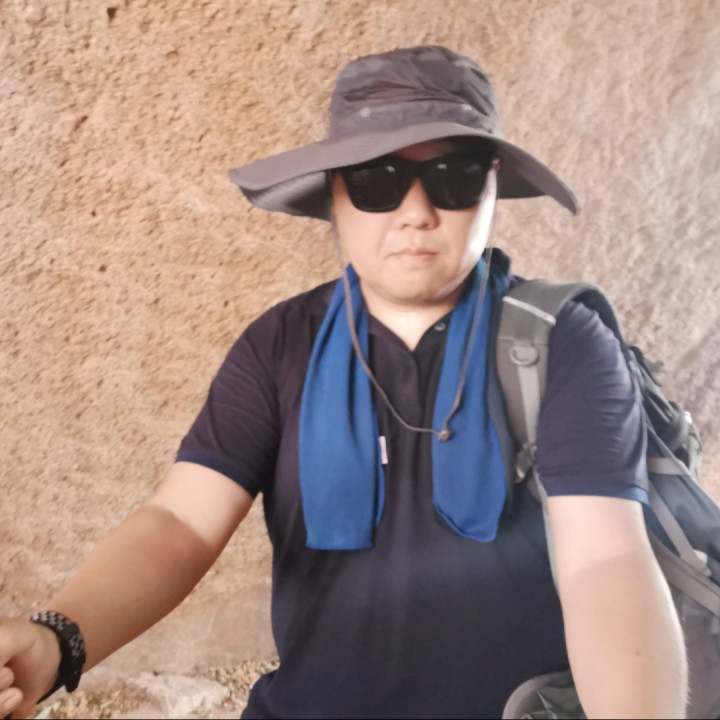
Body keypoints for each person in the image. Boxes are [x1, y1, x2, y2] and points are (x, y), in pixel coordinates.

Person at [0, 46, 688, 719]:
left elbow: (605, 561)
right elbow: (181, 522)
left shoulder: (563, 341)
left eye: (453, 176)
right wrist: (55, 643)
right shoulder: (278, 344)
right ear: (334, 193)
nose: (416, 213)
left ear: (490, 186)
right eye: (376, 180)